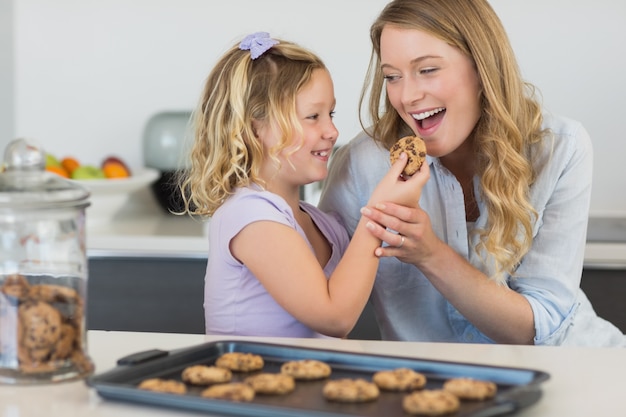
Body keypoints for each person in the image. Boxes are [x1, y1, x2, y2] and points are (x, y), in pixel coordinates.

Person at [319, 0, 625, 346]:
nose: (408, 96)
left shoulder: (559, 149)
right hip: (428, 390)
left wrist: (430, 253)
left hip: (576, 364)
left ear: (482, 68)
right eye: (392, 77)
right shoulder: (363, 164)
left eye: (428, 69)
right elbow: (316, 294)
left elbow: (542, 328)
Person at [180, 32, 427, 338]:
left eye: (331, 114)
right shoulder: (250, 217)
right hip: (251, 383)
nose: (332, 131)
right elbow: (334, 317)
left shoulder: (321, 222)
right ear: (255, 128)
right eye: (313, 116)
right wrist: (379, 213)